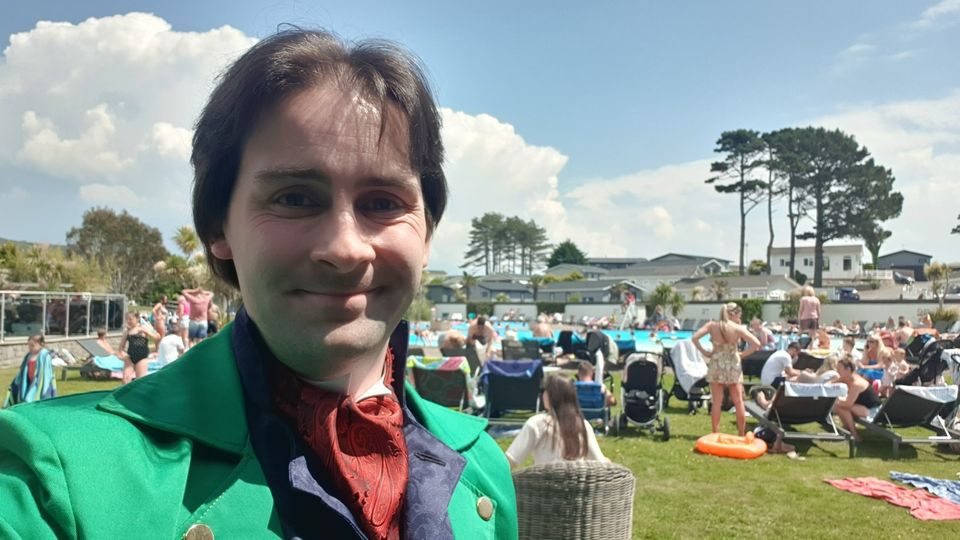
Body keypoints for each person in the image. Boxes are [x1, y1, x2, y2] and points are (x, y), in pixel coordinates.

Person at [0, 30, 516, 539]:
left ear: (426, 233)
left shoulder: (484, 467)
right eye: (294, 198)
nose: (345, 248)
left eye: (383, 202)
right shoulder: (51, 481)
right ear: (218, 226)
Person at [505, 375, 608, 467]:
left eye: (544, 390)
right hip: (576, 488)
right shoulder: (583, 425)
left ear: (550, 395)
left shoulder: (536, 424)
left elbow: (511, 460)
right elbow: (600, 462)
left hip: (542, 487)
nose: (543, 394)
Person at [692, 303, 761, 436]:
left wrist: (705, 352)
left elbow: (695, 337)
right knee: (738, 401)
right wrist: (742, 354)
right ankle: (741, 433)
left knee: (716, 402)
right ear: (733, 314)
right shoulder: (737, 328)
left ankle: (715, 432)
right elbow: (756, 344)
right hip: (732, 364)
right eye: (739, 314)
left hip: (716, 363)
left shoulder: (712, 325)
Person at [834, 357, 880, 442]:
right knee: (840, 406)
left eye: (839, 369)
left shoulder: (856, 383)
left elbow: (848, 404)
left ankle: (854, 435)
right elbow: (831, 383)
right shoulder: (847, 378)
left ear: (847, 370)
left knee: (841, 407)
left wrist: (834, 402)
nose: (837, 371)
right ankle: (847, 430)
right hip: (862, 407)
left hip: (872, 411)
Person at [2, 335, 56, 408]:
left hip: (38, 383)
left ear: (40, 344)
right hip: (29, 382)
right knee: (23, 397)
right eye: (29, 346)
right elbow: (23, 370)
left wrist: (40, 387)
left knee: (32, 399)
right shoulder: (29, 355)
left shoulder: (45, 356)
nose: (30, 348)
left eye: (32, 346)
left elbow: (45, 375)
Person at [117, 311, 159, 383]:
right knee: (125, 379)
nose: (128, 321)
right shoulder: (127, 331)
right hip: (130, 357)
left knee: (140, 381)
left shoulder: (143, 328)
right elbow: (121, 348)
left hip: (142, 357)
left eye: (130, 319)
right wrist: (123, 355)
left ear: (136, 319)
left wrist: (146, 330)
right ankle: (126, 394)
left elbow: (156, 337)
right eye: (127, 319)